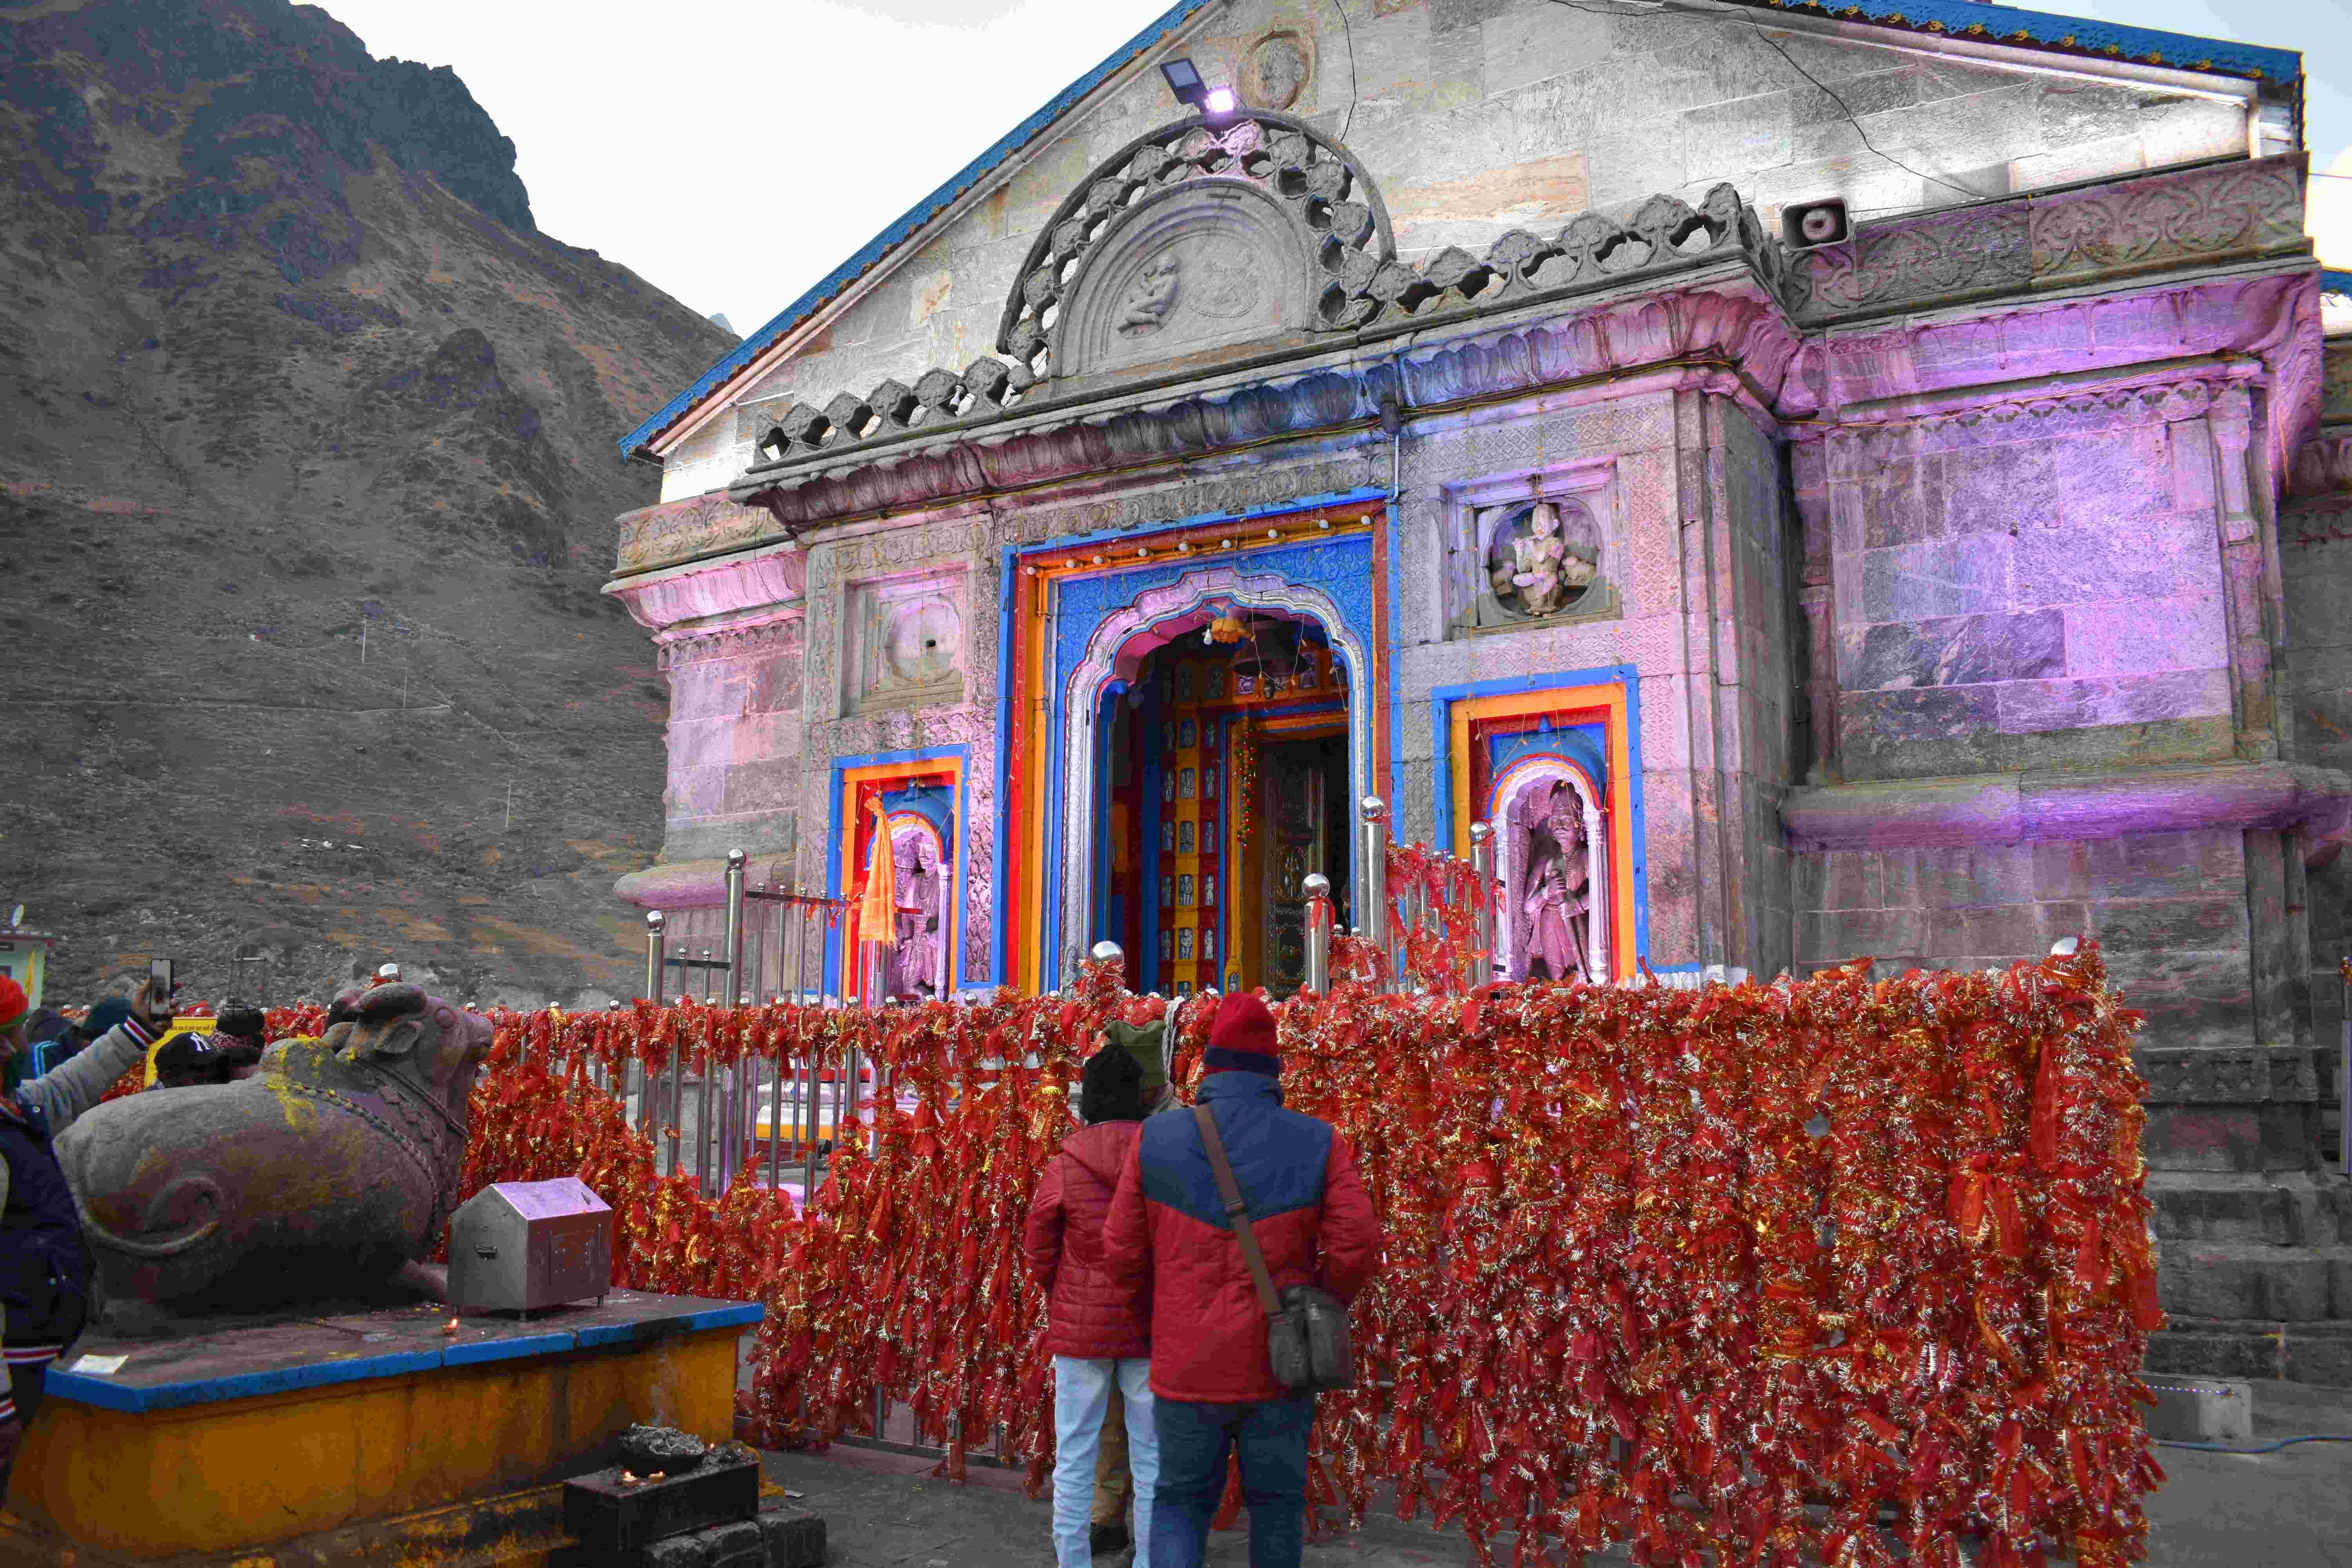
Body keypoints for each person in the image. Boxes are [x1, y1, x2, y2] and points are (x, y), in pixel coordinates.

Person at [1103, 993, 1378, 1568]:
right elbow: (1358, 1243)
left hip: (1185, 1364)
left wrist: (1162, 1312)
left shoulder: (1155, 1140)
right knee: (1277, 1506)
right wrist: (1321, 1298)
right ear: (1273, 1069)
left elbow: (1121, 1252)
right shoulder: (1318, 1141)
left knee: (1179, 1501)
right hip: (1279, 1364)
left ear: (1210, 1064)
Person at [0, 975, 171, 1493]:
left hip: (32, 1352)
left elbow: (65, 1087)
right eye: (2, 1036)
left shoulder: (16, 1108)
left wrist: (137, 1029)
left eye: (14, 1032)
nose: (14, 1047)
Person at [1024, 1045, 1159, 1568]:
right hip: (1147, 1324)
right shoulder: (1159, 1155)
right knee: (1151, 1458)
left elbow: (1038, 1245)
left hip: (1080, 1331)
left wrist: (1061, 1294)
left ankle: (1072, 1561)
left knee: (1075, 1454)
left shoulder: (1065, 1163)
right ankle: (1149, 1559)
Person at [1088, 1012, 1178, 1552]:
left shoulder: (1074, 1150)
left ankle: (1100, 1522)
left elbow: (1041, 1241)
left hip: (1093, 1312)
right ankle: (1150, 1540)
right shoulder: (1169, 1142)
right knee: (1149, 1432)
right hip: (1154, 1306)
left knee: (1098, 1429)